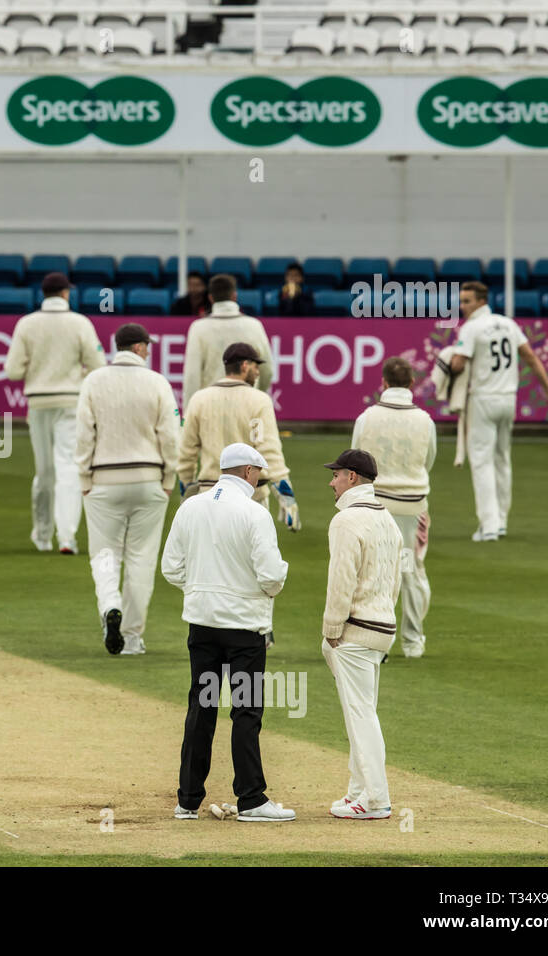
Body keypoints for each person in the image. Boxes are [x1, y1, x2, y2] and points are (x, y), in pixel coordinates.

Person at [161, 442, 294, 822]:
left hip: (203, 626)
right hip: (244, 632)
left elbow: (172, 568)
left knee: (201, 708)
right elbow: (270, 576)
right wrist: (269, 583)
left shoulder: (191, 507)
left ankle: (187, 800)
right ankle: (251, 798)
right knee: (246, 712)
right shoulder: (253, 513)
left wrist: (203, 588)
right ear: (249, 472)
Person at [75, 322, 181, 657]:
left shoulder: (94, 381)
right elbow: (170, 436)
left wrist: (84, 479)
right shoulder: (157, 382)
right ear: (138, 348)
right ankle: (132, 638)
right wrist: (168, 479)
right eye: (146, 346)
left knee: (105, 555)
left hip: (104, 480)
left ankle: (110, 608)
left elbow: (83, 434)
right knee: (141, 559)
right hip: (148, 478)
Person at [321, 449, 403, 820]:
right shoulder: (389, 520)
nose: (331, 482)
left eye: (336, 475)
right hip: (381, 627)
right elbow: (396, 582)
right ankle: (358, 793)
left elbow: (341, 580)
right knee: (362, 712)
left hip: (356, 630)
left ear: (352, 477)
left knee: (360, 717)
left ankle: (375, 799)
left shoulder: (347, 521)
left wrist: (332, 630)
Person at [4, 271, 106, 554]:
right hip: (70, 402)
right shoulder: (79, 323)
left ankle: (42, 535)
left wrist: (37, 369)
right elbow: (98, 364)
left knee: (45, 472)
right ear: (65, 294)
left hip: (38, 403)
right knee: (68, 468)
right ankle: (67, 537)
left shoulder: (26, 324)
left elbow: (12, 370)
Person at [448, 282, 548, 541]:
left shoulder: (471, 328)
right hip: (508, 399)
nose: (462, 306)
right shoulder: (509, 323)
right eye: (461, 301)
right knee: (502, 459)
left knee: (481, 461)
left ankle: (488, 525)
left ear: (481, 301)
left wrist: (449, 359)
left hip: (483, 399)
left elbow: (457, 364)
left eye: (467, 301)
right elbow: (530, 357)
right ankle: (501, 522)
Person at [351, 357, 435, 658]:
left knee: (376, 572)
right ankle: (413, 642)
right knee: (410, 571)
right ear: (412, 383)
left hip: (375, 506)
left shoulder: (367, 417)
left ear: (383, 383)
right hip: (412, 508)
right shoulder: (425, 420)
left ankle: (377, 642)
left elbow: (355, 462)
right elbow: (429, 461)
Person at [177, 343, 298, 529]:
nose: (258, 372)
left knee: (211, 557)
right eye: (255, 366)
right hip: (250, 497)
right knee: (250, 557)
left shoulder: (199, 399)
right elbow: (269, 451)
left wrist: (187, 492)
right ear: (244, 366)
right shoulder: (259, 400)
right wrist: (286, 495)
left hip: (210, 496)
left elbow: (186, 452)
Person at [181, 273, 273, 408]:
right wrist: (258, 394)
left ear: (211, 298)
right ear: (234, 296)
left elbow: (192, 375)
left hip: (211, 407)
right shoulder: (254, 325)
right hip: (247, 405)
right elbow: (267, 370)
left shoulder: (198, 328)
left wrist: (188, 413)